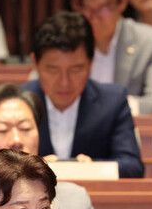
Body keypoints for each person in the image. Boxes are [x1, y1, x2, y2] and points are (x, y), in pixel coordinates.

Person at [23, 11, 144, 178]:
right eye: (53, 70)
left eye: (76, 69)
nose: (64, 82)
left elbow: (132, 166)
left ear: (91, 64)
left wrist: (92, 169)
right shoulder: (16, 103)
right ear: (35, 63)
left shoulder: (113, 102)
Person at [71, 0, 152, 115]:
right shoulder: (70, 40)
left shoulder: (150, 40)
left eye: (103, 7)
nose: (94, 16)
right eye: (87, 8)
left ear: (122, 1)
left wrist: (108, 108)